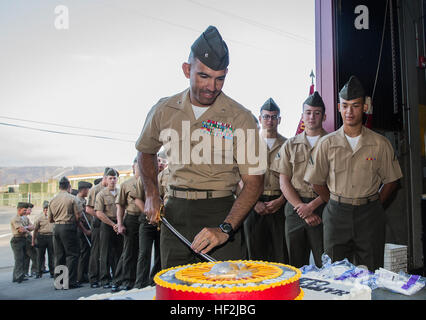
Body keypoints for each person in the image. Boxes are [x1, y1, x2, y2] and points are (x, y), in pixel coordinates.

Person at [136, 25, 264, 269]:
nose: (212, 87)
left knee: (225, 295)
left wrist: (225, 228)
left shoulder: (240, 117)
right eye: (204, 76)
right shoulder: (165, 110)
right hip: (174, 211)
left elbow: (254, 181)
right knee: (176, 288)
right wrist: (151, 192)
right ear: (187, 70)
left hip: (220, 210)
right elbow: (145, 151)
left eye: (220, 79)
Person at [304, 76, 403, 271]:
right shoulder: (327, 143)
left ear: (365, 107)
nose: (349, 111)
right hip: (336, 214)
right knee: (335, 272)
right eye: (345, 105)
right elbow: (316, 182)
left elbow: (392, 180)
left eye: (355, 105)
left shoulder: (380, 143)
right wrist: (334, 200)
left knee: (372, 271)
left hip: (369, 215)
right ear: (339, 107)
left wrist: (374, 204)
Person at [271, 91, 328, 268]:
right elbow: (284, 181)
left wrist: (311, 207)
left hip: (323, 207)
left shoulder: (333, 143)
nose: (312, 117)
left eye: (316, 113)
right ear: (302, 116)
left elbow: (337, 183)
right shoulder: (290, 144)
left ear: (324, 116)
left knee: (325, 263)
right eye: (308, 112)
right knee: (295, 265)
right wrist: (301, 207)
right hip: (295, 210)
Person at [243, 98, 288, 263]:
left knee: (281, 253)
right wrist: (253, 203)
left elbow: (295, 177)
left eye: (274, 117)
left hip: (279, 204)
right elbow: (237, 177)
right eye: (266, 116)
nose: (270, 120)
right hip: (253, 205)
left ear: (280, 120)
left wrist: (282, 200)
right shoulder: (248, 144)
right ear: (260, 119)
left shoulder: (288, 144)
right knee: (254, 255)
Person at [112, 158, 143, 291]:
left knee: (143, 251)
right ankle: (126, 281)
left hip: (145, 219)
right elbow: (120, 207)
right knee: (129, 251)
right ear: (133, 167)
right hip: (131, 219)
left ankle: (140, 279)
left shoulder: (149, 182)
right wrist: (120, 224)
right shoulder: (126, 184)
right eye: (138, 165)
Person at [48, 176, 82, 289]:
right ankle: (71, 281)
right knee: (72, 255)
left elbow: (50, 219)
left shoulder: (52, 200)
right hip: (68, 227)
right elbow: (78, 216)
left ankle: (59, 283)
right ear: (69, 187)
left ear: (59, 187)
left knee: (59, 255)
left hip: (56, 227)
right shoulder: (72, 198)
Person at [95, 168, 123, 288]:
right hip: (107, 224)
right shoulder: (101, 194)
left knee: (119, 251)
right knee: (105, 252)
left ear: (117, 179)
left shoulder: (120, 191)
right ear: (106, 179)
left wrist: (119, 223)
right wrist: (113, 224)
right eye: (110, 178)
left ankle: (118, 277)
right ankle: (105, 279)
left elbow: (124, 207)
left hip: (119, 223)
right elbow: (99, 213)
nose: (112, 180)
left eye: (114, 178)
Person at [134, 166, 161, 289]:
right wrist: (149, 214)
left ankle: (155, 281)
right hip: (147, 222)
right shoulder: (143, 179)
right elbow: (138, 199)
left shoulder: (167, 177)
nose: (159, 163)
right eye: (157, 160)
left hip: (162, 222)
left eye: (161, 161)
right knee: (144, 252)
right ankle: (140, 283)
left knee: (160, 253)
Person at [86, 169, 109, 288]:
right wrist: (101, 216)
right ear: (104, 177)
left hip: (108, 224)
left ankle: (105, 277)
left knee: (107, 251)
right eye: (109, 177)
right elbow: (89, 209)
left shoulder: (112, 190)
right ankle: (93, 278)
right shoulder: (95, 190)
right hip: (98, 224)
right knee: (96, 252)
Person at [75, 181, 93, 284]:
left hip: (86, 227)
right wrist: (85, 230)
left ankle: (84, 273)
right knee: (83, 252)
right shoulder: (77, 201)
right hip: (82, 230)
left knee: (87, 252)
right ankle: (80, 275)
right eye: (88, 189)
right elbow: (79, 219)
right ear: (84, 189)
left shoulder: (83, 200)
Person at [32, 200, 54, 278]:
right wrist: (33, 241)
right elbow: (35, 230)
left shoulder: (53, 216)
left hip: (51, 237)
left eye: (48, 209)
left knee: (52, 255)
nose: (46, 210)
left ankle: (52, 272)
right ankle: (39, 272)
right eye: (45, 209)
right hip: (41, 237)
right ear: (43, 209)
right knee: (40, 255)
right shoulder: (39, 218)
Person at [10, 202, 31, 283]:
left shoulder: (24, 218)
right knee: (19, 259)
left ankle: (20, 275)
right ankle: (17, 276)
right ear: (19, 210)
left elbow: (32, 227)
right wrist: (27, 228)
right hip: (17, 240)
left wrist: (26, 228)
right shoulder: (15, 218)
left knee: (24, 258)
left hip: (23, 239)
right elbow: (21, 230)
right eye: (24, 210)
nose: (26, 212)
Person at [22, 202, 37, 277]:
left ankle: (26, 272)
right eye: (29, 210)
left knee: (27, 256)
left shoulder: (26, 218)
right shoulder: (21, 218)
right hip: (26, 238)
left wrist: (28, 227)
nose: (31, 211)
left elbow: (33, 227)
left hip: (27, 237)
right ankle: (33, 271)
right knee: (33, 255)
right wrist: (28, 228)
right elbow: (23, 229)